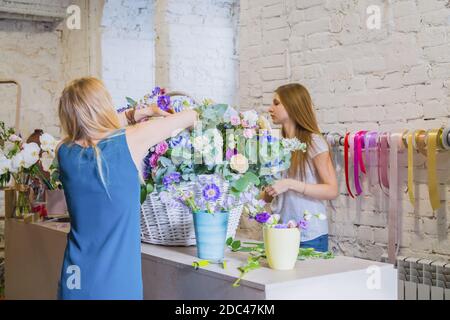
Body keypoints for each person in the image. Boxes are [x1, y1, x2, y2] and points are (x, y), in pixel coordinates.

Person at [56, 77, 197, 299]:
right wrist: (187, 118)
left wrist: (134, 114)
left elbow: (94, 129)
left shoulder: (64, 152)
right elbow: (189, 116)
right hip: (115, 283)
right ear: (103, 106)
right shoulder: (131, 141)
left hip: (75, 278)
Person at [263, 83, 338, 252]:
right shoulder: (276, 145)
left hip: (309, 236)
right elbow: (270, 196)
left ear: (292, 106)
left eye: (276, 103)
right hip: (279, 233)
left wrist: (290, 184)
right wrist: (266, 193)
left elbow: (332, 190)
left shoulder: (314, 142)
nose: (270, 108)